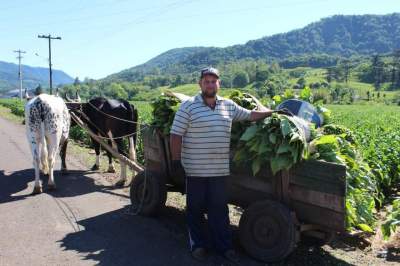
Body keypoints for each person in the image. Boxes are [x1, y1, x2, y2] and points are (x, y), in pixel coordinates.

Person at [169, 67, 273, 263]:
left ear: (219, 84)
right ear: (200, 84)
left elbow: (250, 115)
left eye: (213, 81)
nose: (210, 84)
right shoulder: (188, 106)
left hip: (219, 171)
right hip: (195, 171)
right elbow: (176, 135)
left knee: (219, 209)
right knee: (195, 209)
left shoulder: (228, 106)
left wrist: (272, 112)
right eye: (206, 81)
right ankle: (198, 245)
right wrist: (176, 162)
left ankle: (224, 247)